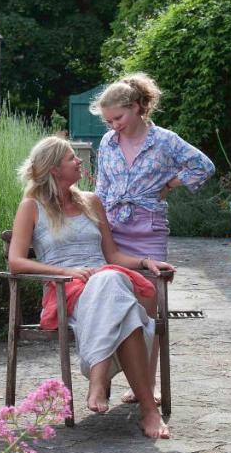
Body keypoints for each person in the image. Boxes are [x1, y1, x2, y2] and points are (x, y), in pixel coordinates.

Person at [8, 135, 173, 439]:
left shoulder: (91, 202)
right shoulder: (31, 207)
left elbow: (113, 256)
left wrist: (147, 262)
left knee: (110, 279)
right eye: (72, 157)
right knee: (128, 312)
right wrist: (65, 270)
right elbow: (16, 262)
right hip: (66, 290)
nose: (79, 161)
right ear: (55, 168)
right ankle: (149, 412)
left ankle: (98, 379)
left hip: (106, 279)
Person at [91, 72, 215, 404]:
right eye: (108, 121)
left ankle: (145, 385)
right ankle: (105, 381)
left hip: (148, 230)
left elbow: (204, 166)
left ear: (137, 108)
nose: (113, 125)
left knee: (149, 311)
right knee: (111, 306)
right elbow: (101, 188)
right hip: (113, 229)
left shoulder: (165, 141)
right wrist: (93, 220)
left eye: (118, 117)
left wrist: (170, 184)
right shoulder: (107, 143)